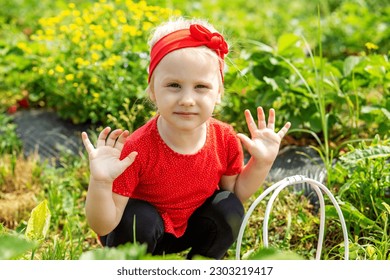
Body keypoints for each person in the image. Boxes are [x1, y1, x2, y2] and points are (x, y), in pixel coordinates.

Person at [81, 17, 291, 260]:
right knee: (140, 219)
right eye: (174, 85)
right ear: (152, 90)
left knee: (229, 207)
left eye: (201, 87)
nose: (187, 99)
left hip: (191, 228)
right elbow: (104, 226)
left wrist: (262, 163)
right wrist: (100, 182)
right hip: (139, 236)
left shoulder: (224, 138)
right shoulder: (137, 149)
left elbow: (236, 192)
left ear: (219, 93)